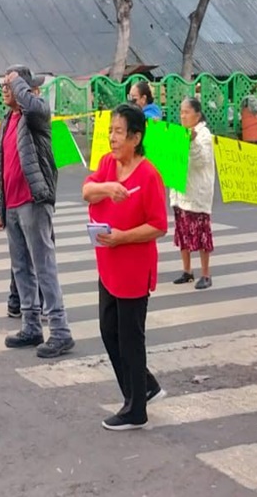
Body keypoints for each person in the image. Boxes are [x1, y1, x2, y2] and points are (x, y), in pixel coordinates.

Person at [83, 103, 169, 431]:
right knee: (108, 330)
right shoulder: (107, 164)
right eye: (110, 131)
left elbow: (158, 226)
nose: (112, 138)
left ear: (136, 137)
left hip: (133, 266)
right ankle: (143, 386)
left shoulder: (148, 175)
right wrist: (108, 188)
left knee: (131, 338)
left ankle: (136, 409)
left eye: (119, 132)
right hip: (108, 262)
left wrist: (123, 237)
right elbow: (87, 191)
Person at [0, 65, 74, 358]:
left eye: (9, 86)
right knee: (21, 269)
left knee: (43, 266)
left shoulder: (35, 116)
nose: (5, 90)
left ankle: (61, 331)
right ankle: (31, 325)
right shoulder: (8, 120)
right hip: (13, 204)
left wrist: (19, 85)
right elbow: (1, 166)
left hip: (33, 201)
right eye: (4, 86)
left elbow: (35, 105)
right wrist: (0, 207)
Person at [170, 98, 216, 289]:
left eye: (187, 112)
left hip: (197, 193)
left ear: (197, 115)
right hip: (181, 190)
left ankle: (206, 274)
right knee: (182, 232)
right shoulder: (179, 133)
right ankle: (187, 271)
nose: (183, 116)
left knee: (201, 234)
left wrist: (193, 141)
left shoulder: (204, 136)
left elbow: (201, 160)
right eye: (181, 112)